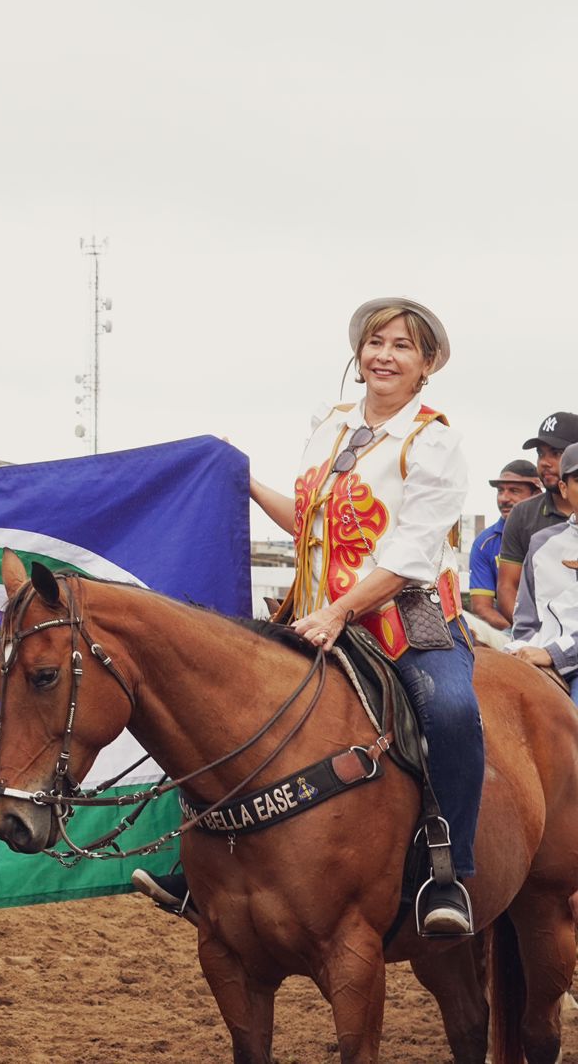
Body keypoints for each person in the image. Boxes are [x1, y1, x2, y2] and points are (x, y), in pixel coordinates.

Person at [135, 297, 479, 936]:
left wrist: (340, 612)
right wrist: (241, 480)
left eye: (402, 345)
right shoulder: (331, 425)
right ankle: (198, 866)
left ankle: (449, 875)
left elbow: (409, 555)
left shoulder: (435, 441)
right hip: (318, 614)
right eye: (375, 342)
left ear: (427, 363)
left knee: (455, 713)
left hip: (403, 619)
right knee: (207, 704)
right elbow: (312, 528)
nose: (384, 355)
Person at [504, 443, 578, 708]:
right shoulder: (541, 544)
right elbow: (526, 620)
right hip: (538, 659)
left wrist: (553, 654)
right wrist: (517, 652)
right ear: (564, 489)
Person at [497, 412, 578, 622]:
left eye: (556, 453)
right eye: (541, 454)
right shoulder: (522, 514)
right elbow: (507, 587)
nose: (545, 463)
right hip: (535, 634)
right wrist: (535, 638)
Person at [466, 460, 542, 631]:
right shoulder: (484, 543)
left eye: (514, 491)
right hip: (511, 631)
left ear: (536, 494)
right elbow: (481, 607)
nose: (504, 498)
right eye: (500, 491)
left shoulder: (557, 532)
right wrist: (520, 633)